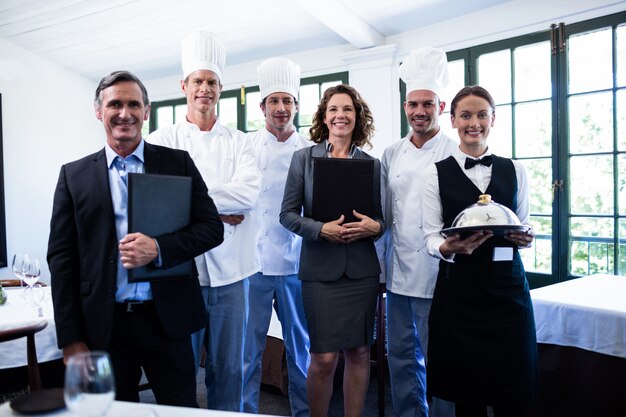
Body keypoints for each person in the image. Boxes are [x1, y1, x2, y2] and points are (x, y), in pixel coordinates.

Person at [47, 70, 224, 407]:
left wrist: (159, 248)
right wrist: (70, 338)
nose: (124, 113)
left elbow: (211, 227)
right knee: (107, 412)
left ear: (146, 111)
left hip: (166, 320)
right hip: (102, 327)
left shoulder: (177, 163)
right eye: (115, 104)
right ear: (99, 111)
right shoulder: (73, 176)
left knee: (182, 409)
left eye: (133, 104)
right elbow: (61, 260)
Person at [147, 31, 261, 412]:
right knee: (180, 369)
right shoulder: (162, 138)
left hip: (233, 274)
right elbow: (160, 204)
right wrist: (214, 210)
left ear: (220, 88)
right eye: (198, 81)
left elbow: (248, 195)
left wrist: (192, 202)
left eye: (211, 82)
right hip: (183, 274)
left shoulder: (241, 141)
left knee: (229, 369)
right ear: (184, 86)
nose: (204, 89)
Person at [422, 85, 537, 417]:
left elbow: (526, 224)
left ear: (493, 119)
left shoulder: (515, 169)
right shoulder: (435, 173)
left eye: (482, 114)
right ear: (453, 121)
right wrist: (447, 246)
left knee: (512, 391)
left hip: (508, 294)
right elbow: (430, 236)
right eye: (466, 115)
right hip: (460, 294)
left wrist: (527, 238)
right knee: (466, 392)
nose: (475, 122)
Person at [280, 84, 384, 417]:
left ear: (357, 117)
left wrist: (376, 227)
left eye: (348, 109)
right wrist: (320, 229)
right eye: (334, 109)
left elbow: (382, 219)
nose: (341, 115)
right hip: (320, 272)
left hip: (361, 272)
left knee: (358, 352)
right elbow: (287, 214)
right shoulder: (303, 159)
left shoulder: (372, 164)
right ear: (324, 117)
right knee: (323, 358)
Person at [379, 47, 456, 417]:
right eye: (413, 104)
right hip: (396, 272)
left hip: (438, 272)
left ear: (441, 107)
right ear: (405, 107)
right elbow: (383, 215)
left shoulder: (455, 153)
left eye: (427, 103)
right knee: (400, 356)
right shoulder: (391, 153)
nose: (419, 111)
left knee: (438, 354)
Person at [243, 57, 311, 417]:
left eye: (287, 101)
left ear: (296, 106)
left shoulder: (312, 150)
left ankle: (305, 413)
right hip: (253, 264)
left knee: (300, 350)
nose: (281, 108)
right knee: (247, 351)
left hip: (296, 265)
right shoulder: (245, 147)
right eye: (274, 101)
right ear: (262, 106)